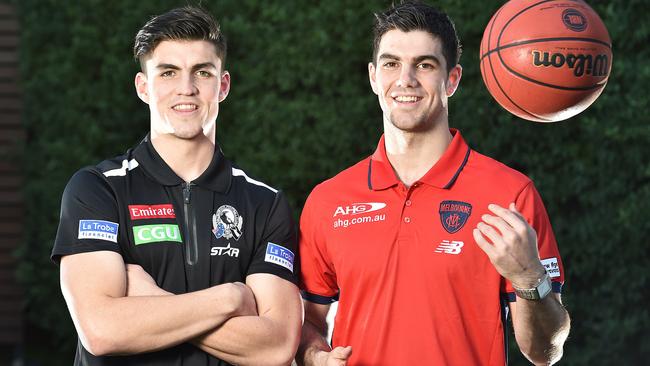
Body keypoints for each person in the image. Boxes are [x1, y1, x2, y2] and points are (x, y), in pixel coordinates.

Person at [297, 1, 570, 365]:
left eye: (424, 65)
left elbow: (544, 353)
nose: (405, 79)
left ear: (452, 79)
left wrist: (529, 277)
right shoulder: (328, 200)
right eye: (391, 64)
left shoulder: (509, 195)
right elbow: (305, 324)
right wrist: (315, 356)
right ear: (373, 77)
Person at [51, 6, 301, 366]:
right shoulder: (97, 189)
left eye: (202, 72)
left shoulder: (265, 203)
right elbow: (101, 330)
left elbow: (276, 347)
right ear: (143, 87)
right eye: (168, 72)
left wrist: (150, 299)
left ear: (223, 85)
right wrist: (230, 299)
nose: (187, 88)